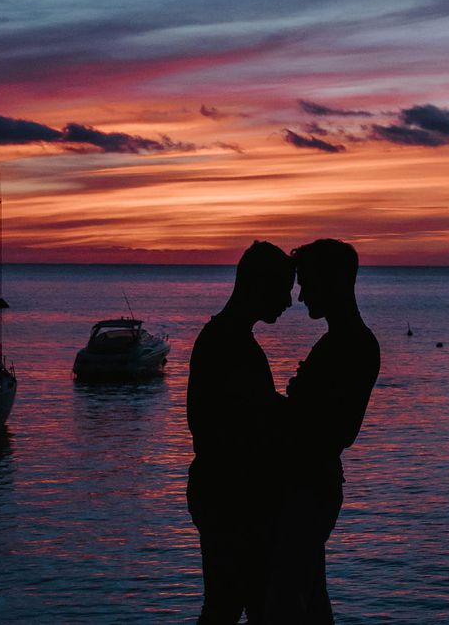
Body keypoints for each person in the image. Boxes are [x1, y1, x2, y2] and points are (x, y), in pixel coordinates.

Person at [267, 238, 380, 624]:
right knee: (309, 596)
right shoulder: (339, 342)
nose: (300, 296)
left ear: (332, 282)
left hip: (310, 488)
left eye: (307, 283)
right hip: (306, 485)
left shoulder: (353, 345)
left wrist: (281, 408)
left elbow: (338, 431)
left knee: (286, 598)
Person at [187, 241, 294, 624]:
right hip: (232, 499)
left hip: (223, 494)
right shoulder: (231, 345)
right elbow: (240, 426)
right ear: (259, 287)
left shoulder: (224, 339)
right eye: (283, 290)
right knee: (233, 606)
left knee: (229, 604)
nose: (288, 302)